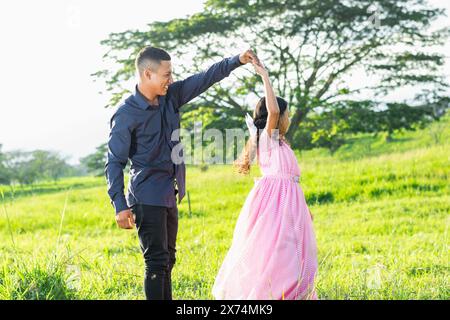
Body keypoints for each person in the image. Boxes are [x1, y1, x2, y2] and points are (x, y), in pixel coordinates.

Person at [105, 46, 258, 300]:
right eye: (166, 75)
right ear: (147, 74)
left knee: (168, 260)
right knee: (156, 263)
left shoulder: (171, 96)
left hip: (168, 194)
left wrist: (237, 60)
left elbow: (206, 77)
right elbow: (114, 162)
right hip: (146, 196)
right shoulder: (125, 114)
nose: (171, 80)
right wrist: (120, 206)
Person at [212, 58, 318, 300]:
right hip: (275, 204)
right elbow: (273, 110)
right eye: (286, 114)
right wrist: (265, 76)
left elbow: (292, 180)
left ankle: (292, 292)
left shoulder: (279, 142)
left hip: (289, 202)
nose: (288, 118)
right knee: (279, 251)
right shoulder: (267, 138)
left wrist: (303, 208)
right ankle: (274, 293)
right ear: (279, 117)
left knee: (292, 249)